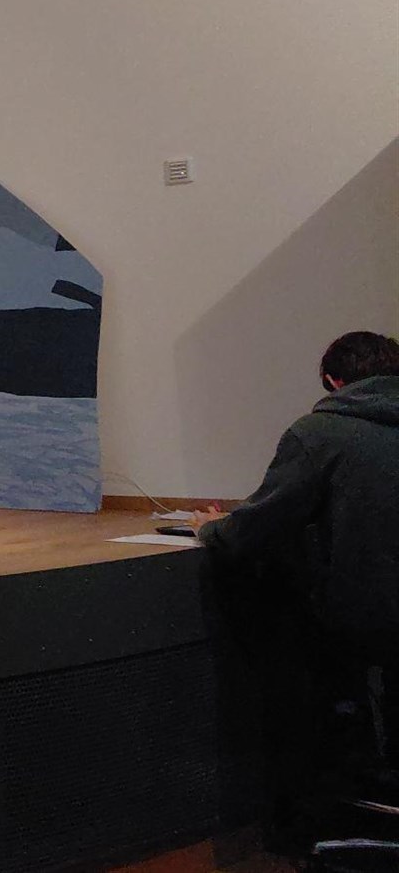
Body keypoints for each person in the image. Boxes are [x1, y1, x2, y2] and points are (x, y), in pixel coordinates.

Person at [193, 331, 399, 846]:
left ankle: (317, 816)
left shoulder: (320, 432)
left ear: (334, 381)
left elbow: (252, 531)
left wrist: (208, 527)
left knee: (286, 644)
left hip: (365, 622)